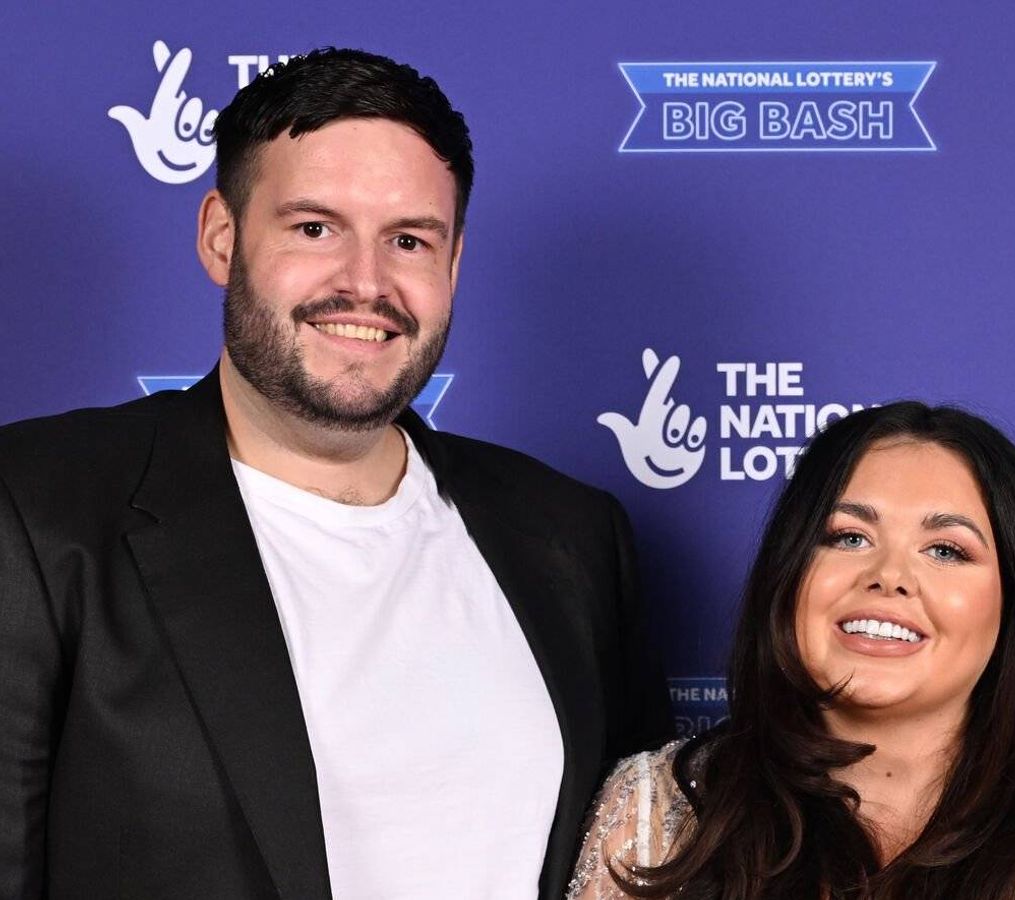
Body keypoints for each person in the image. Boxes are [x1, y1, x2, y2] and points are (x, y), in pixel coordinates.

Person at [0, 49, 671, 899]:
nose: (366, 284)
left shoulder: (572, 537)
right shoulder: (36, 510)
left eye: (408, 240)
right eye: (315, 228)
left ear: (453, 263)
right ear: (221, 236)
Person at [569, 402, 1015, 899]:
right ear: (787, 574)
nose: (890, 576)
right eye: (848, 537)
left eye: (946, 550)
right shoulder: (653, 809)